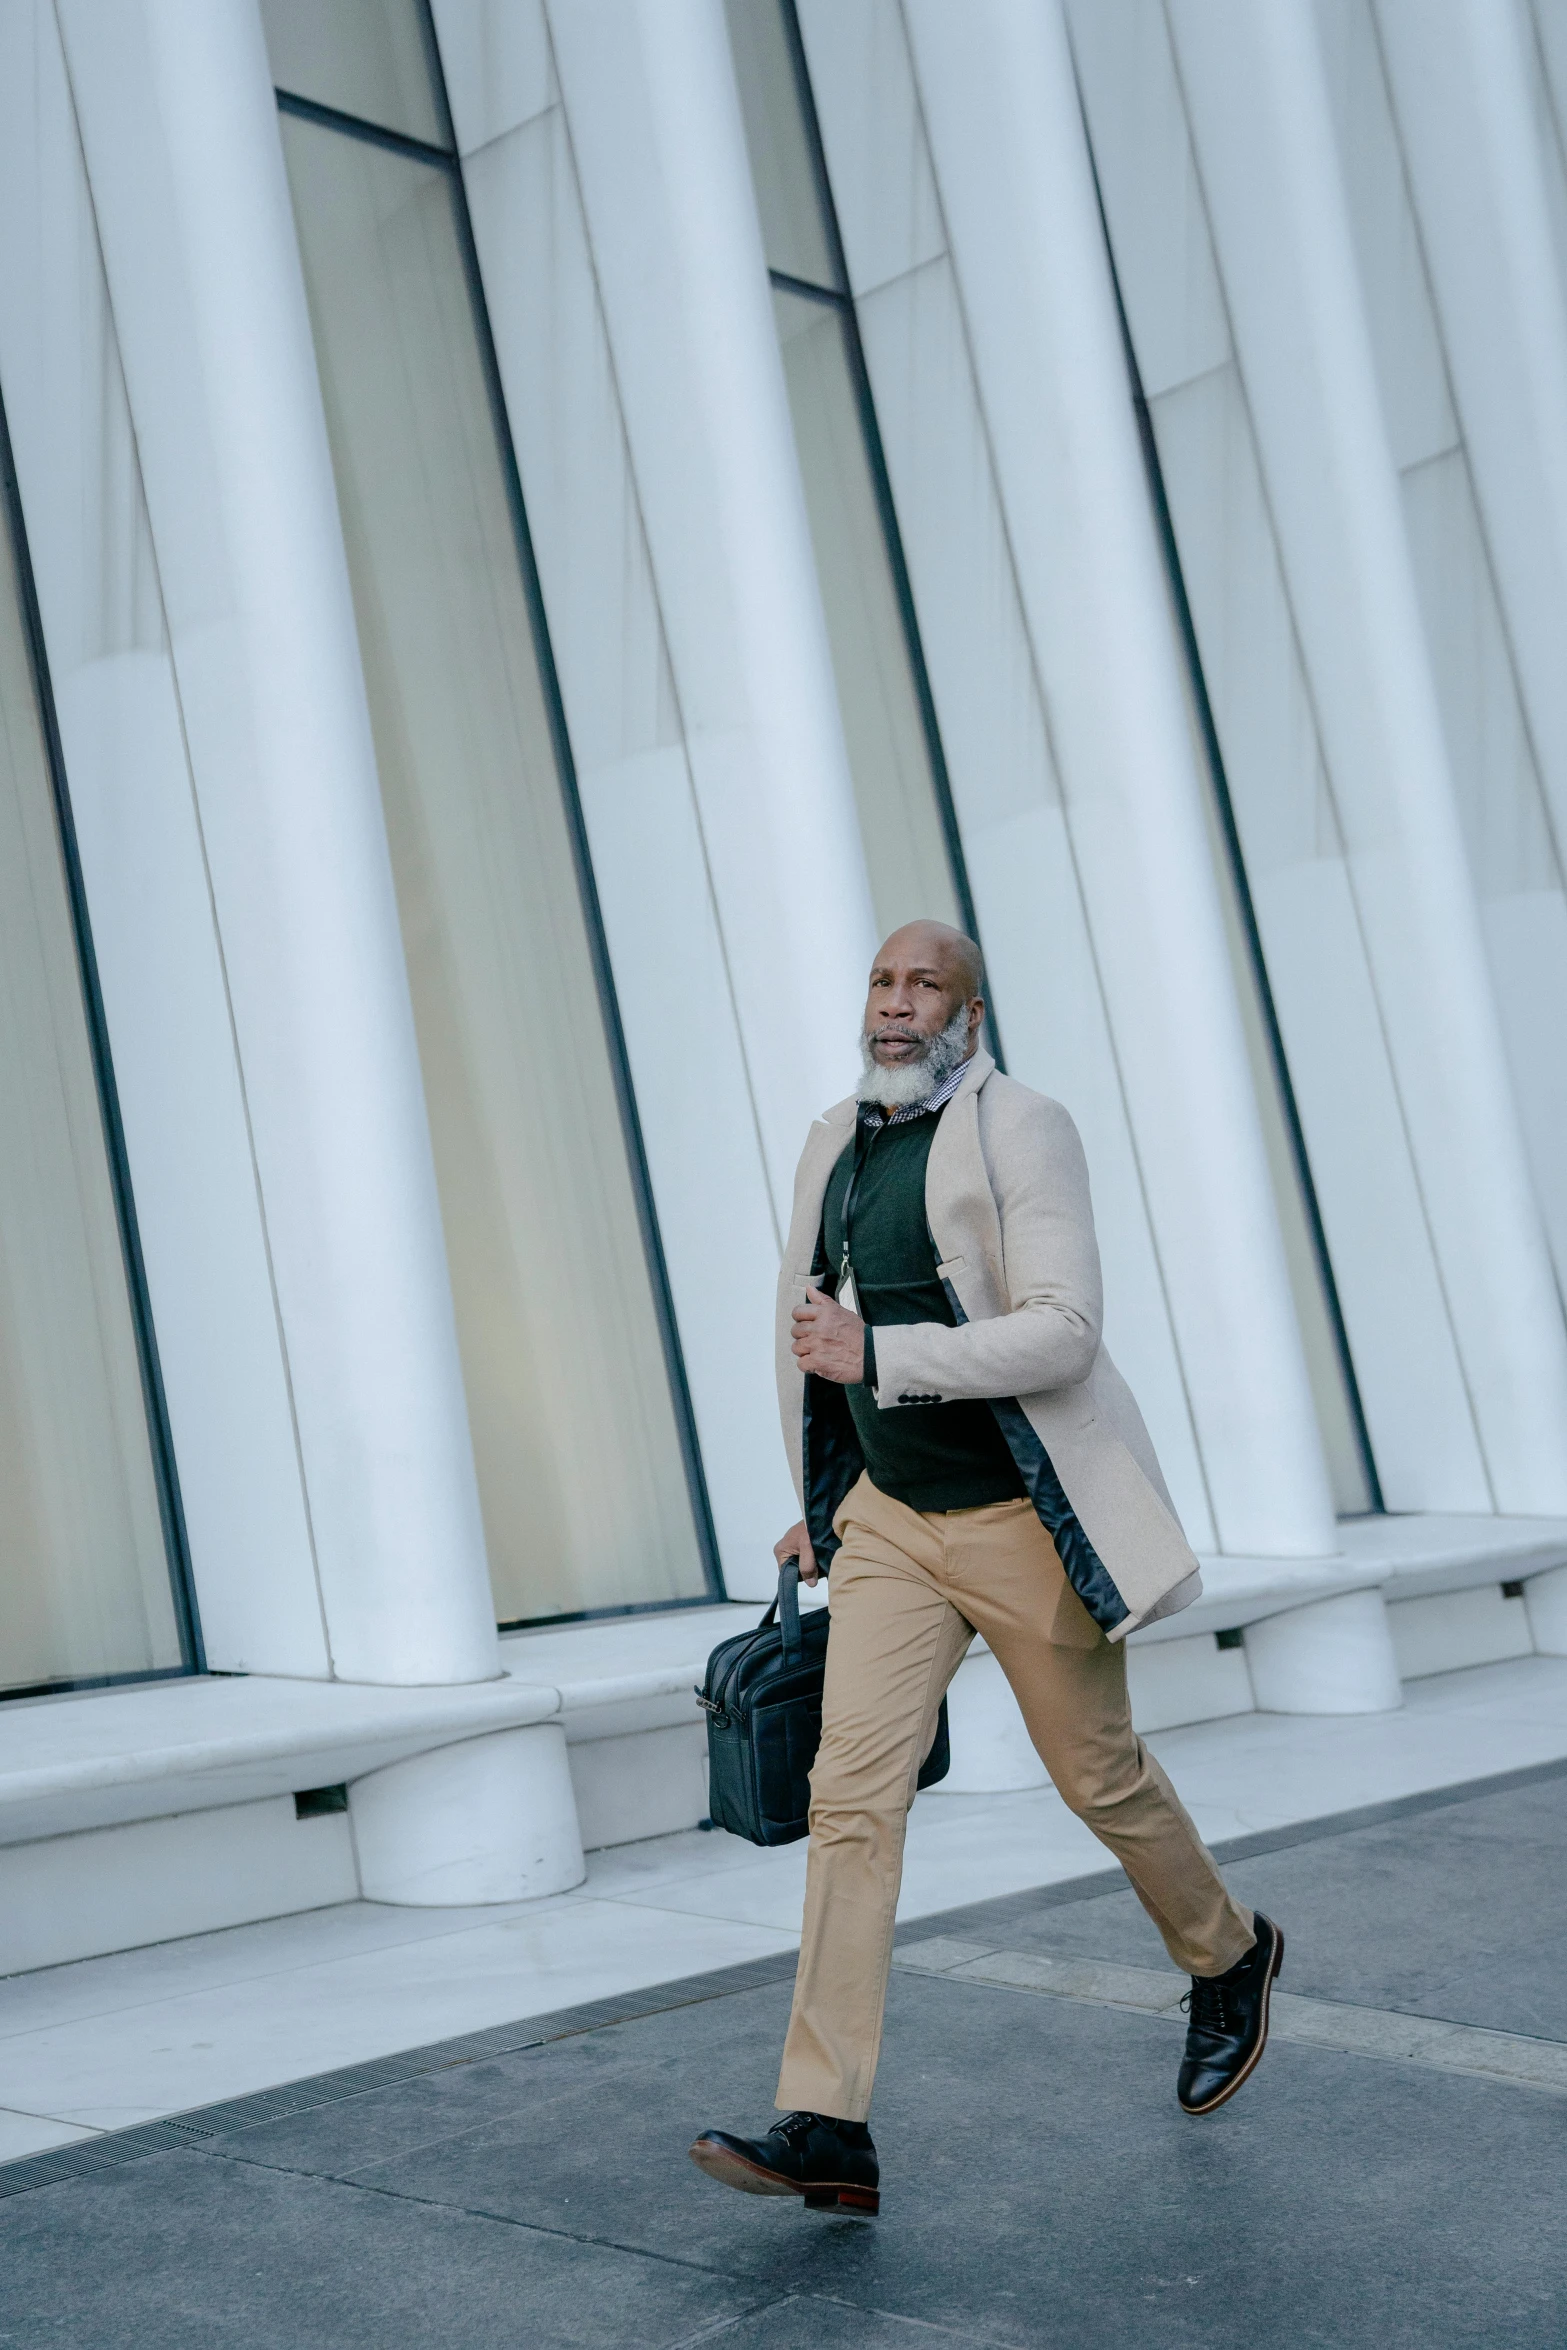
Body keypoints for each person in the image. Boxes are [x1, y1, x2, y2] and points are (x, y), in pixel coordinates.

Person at [690, 921, 1281, 2215]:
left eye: (924, 986)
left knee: (1097, 1774)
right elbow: (809, 1327)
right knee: (850, 1798)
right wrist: (822, 1496)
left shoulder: (1024, 1127)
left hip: (1022, 1515)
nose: (896, 1005)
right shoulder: (832, 1140)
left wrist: (879, 1355)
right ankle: (826, 2118)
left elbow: (1062, 1333)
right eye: (882, 982)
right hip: (893, 1523)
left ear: (968, 1009)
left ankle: (1226, 1952)